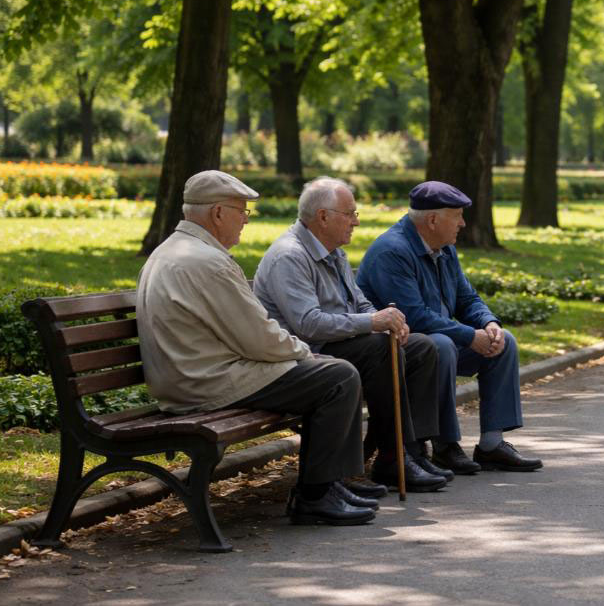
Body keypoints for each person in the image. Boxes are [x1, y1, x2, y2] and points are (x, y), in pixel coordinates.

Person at [136, 170, 376, 526]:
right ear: (218, 213)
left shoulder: (175, 250)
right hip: (205, 382)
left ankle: (330, 485)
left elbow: (249, 333)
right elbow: (259, 336)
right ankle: (315, 495)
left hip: (189, 375)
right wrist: (305, 352)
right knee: (337, 376)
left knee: (332, 373)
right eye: (241, 209)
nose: (246, 218)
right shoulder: (207, 261)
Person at [254, 177, 448, 493]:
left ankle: (409, 450)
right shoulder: (290, 255)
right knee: (379, 349)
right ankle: (390, 456)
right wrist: (372, 322)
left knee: (421, 347)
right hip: (305, 355)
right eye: (350, 213)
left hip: (339, 345)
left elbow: (359, 301)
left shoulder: (334, 252)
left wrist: (387, 321)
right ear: (323, 217)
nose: (356, 221)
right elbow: (308, 325)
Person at [358, 181, 542, 475]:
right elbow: (415, 317)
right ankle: (445, 445)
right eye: (457, 215)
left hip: (437, 340)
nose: (463, 223)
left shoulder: (443, 249)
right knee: (441, 345)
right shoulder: (392, 251)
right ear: (432, 220)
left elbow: (467, 298)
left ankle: (492, 445)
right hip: (400, 349)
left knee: (503, 341)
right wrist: (470, 336)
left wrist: (488, 323)